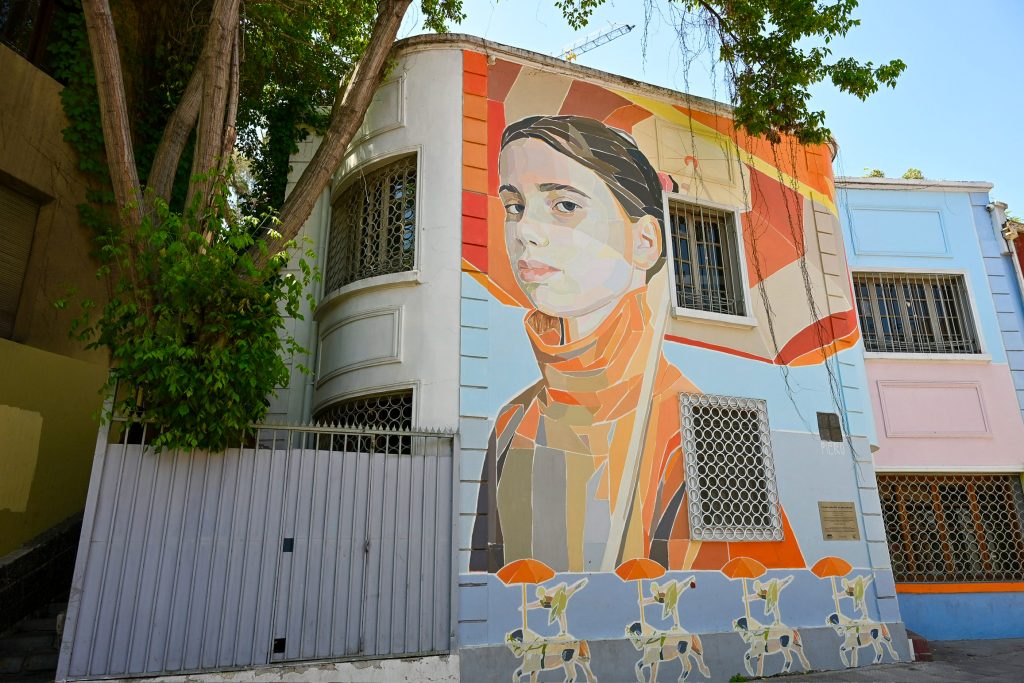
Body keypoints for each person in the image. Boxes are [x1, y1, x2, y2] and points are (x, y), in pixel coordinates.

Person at [470, 115, 803, 574]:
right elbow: (486, 581)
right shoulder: (513, 422)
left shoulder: (699, 429)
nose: (525, 230)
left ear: (645, 240)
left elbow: (741, 590)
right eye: (514, 206)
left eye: (564, 205)